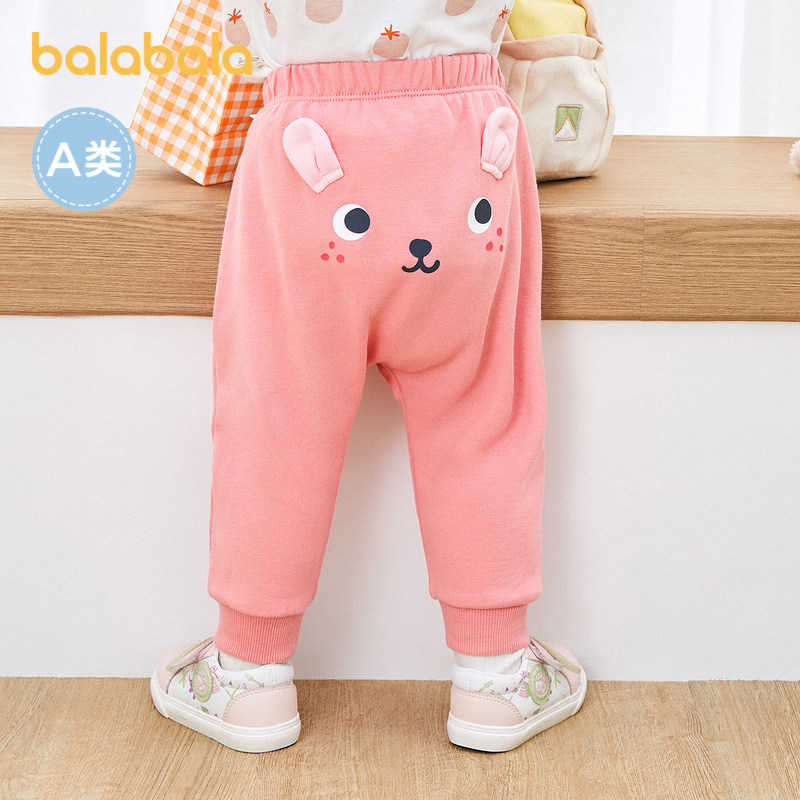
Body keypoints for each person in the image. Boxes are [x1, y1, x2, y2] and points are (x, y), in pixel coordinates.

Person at [150, 0, 586, 753]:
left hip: (310, 150)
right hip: (468, 149)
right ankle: (498, 677)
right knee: (484, 416)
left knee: (275, 420)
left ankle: (248, 675)